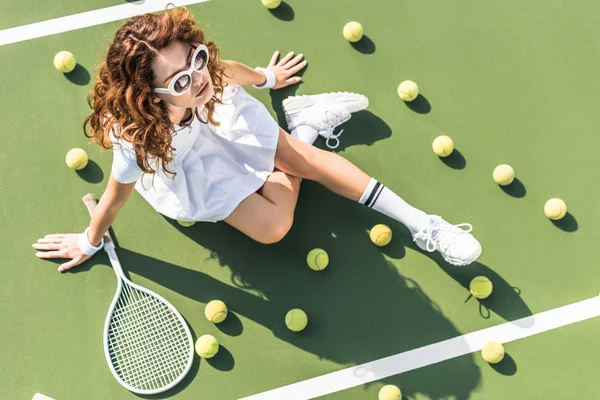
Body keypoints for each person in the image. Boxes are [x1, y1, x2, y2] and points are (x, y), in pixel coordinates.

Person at [32, 6, 482, 272]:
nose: (198, 77)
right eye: (180, 80)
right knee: (274, 228)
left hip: (222, 123)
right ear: (150, 95)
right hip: (188, 167)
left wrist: (267, 78)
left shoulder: (207, 82)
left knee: (305, 162)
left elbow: (230, 73)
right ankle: (304, 124)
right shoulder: (139, 141)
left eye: (197, 58)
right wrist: (91, 240)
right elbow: (114, 196)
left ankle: (424, 223)